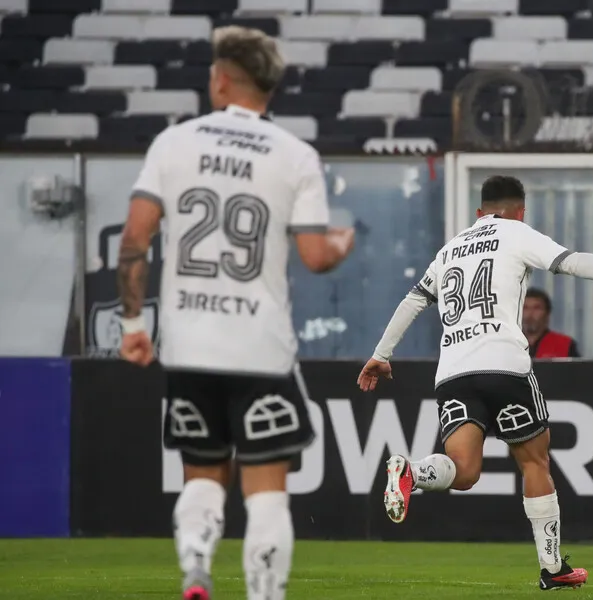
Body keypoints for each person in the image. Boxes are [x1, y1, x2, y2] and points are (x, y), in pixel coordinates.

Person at [357, 175, 593, 591]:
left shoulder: (450, 249)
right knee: (534, 461)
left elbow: (414, 300)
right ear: (521, 211)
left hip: (453, 372)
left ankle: (414, 472)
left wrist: (381, 354)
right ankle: (552, 568)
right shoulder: (516, 233)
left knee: (464, 471)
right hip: (504, 366)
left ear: (479, 212)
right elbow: (572, 261)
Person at [116, 26, 354, 600]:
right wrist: (341, 246)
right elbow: (315, 257)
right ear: (268, 87)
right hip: (259, 347)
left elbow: (135, 238)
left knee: (202, 473)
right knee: (266, 490)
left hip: (188, 345)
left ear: (221, 81)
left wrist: (133, 326)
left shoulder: (173, 143)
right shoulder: (295, 155)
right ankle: (264, 593)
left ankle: (197, 562)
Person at [522, 287, 580, 358]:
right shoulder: (511, 343)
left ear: (547, 313)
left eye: (537, 308)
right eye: (525, 308)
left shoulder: (565, 344)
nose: (530, 313)